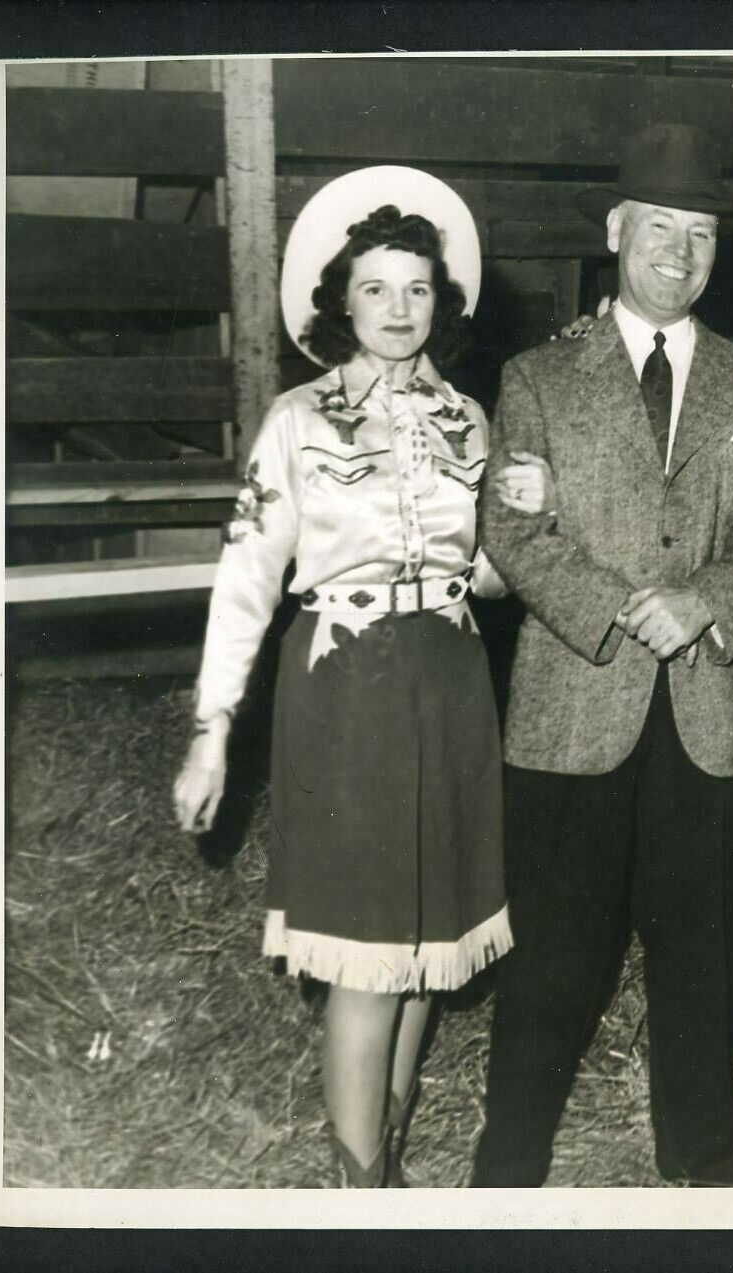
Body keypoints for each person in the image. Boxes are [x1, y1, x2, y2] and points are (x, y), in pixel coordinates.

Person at [171, 167, 551, 1187]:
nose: (397, 309)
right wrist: (212, 727)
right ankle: (362, 1187)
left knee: (430, 929)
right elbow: (248, 574)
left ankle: (386, 1120)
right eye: (376, 288)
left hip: (449, 679)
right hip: (345, 689)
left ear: (443, 301)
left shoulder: (471, 421)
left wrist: (524, 517)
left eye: (417, 289)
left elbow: (489, 578)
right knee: (365, 945)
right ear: (340, 300)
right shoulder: (297, 420)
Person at [470, 124, 733, 1188]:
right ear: (616, 232)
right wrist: (615, 608)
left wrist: (707, 604)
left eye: (699, 234)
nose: (679, 254)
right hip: (571, 719)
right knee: (548, 975)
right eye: (659, 229)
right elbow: (513, 532)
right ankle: (503, 1182)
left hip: (708, 722)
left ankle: (708, 1188)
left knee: (703, 977)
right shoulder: (540, 377)